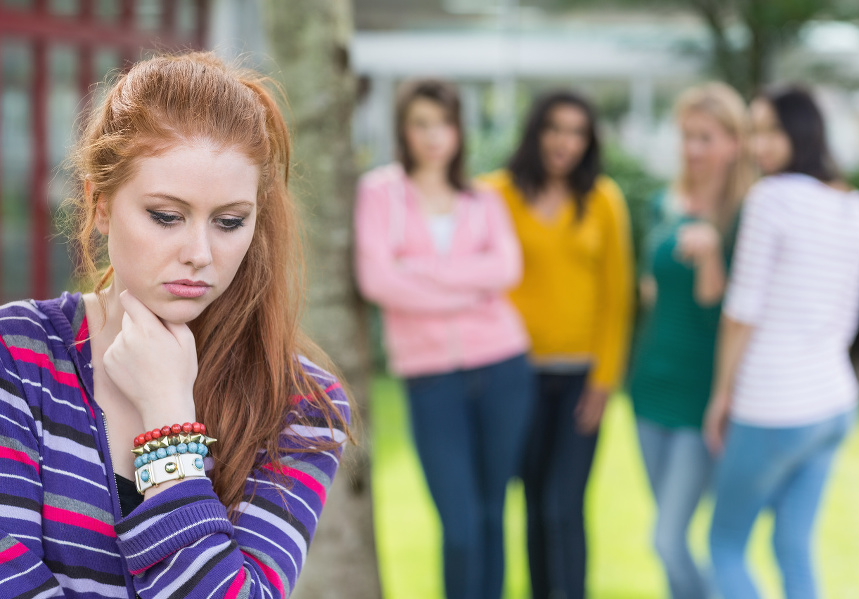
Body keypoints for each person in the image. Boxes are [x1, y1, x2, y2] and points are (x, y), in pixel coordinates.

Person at [0, 52, 350, 597]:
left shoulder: (300, 404)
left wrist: (165, 418)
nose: (200, 253)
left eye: (230, 221)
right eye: (166, 216)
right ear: (99, 204)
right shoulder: (17, 356)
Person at [354, 79, 533, 599]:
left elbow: (507, 268)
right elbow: (378, 281)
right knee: (459, 525)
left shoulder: (484, 198)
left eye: (445, 123)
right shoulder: (380, 192)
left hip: (503, 364)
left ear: (459, 130)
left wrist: (420, 273)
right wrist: (467, 286)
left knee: (493, 515)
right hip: (430, 376)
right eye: (422, 124)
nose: (435, 136)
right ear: (403, 130)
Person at [704, 86, 859, 599]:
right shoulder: (853, 204)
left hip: (775, 405)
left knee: (725, 544)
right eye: (754, 131)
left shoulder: (770, 197)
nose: (760, 144)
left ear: (801, 132)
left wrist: (720, 395)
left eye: (770, 131)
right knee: (793, 544)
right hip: (834, 402)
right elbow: (847, 316)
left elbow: (741, 312)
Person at [479, 91, 634, 599]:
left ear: (588, 142)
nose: (564, 142)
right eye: (554, 128)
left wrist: (604, 381)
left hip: (579, 379)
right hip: (512, 375)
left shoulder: (605, 200)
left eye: (577, 132)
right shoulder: (495, 193)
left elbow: (618, 298)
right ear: (535, 132)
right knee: (530, 503)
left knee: (561, 506)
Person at [628, 82, 755, 599]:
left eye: (706, 137)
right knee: (668, 531)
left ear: (735, 142)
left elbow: (729, 316)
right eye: (686, 136)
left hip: (702, 394)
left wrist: (710, 258)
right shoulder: (666, 201)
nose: (693, 149)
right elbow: (651, 286)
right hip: (649, 386)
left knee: (667, 540)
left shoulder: (748, 212)